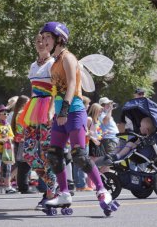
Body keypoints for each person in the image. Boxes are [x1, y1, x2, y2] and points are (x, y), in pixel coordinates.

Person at [41, 22, 117, 214]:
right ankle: (64, 193)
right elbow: (56, 90)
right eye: (44, 37)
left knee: (79, 155)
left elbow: (73, 84)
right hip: (60, 114)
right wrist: (53, 111)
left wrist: (64, 110)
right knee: (54, 154)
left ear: (59, 38)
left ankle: (102, 190)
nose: (45, 41)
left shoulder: (68, 57)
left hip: (74, 112)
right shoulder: (54, 62)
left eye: (48, 37)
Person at [19, 33, 57, 209]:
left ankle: (50, 192)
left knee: (45, 152)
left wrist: (52, 110)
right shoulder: (33, 65)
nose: (41, 44)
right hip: (34, 108)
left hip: (48, 107)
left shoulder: (53, 63)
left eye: (43, 41)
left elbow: (56, 89)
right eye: (37, 41)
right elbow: (33, 89)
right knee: (28, 153)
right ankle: (52, 184)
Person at [11, 95, 35, 194]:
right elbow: (23, 128)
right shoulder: (22, 113)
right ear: (24, 103)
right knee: (24, 164)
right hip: (23, 140)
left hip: (20, 140)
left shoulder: (18, 113)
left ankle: (23, 186)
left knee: (22, 165)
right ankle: (24, 187)